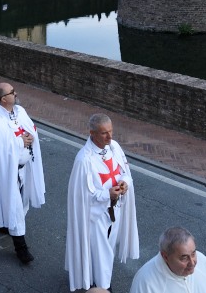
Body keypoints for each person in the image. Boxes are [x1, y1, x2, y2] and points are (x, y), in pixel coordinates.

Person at [65, 114, 139, 292]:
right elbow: (82, 197)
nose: (110, 136)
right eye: (104, 133)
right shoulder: (84, 160)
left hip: (116, 210)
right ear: (92, 133)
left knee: (107, 251)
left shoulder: (114, 147)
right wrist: (107, 194)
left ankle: (96, 280)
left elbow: (125, 172)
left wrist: (124, 183)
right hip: (96, 217)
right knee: (101, 253)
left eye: (111, 131)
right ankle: (104, 287)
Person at [0, 83, 45, 264]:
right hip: (8, 173)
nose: (15, 94)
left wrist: (31, 136)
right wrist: (19, 142)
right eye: (12, 92)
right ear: (3, 99)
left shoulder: (19, 111)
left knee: (22, 203)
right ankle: (21, 249)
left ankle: (4, 223)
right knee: (15, 207)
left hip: (25, 169)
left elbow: (29, 128)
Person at [129, 227, 206, 293]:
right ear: (165, 257)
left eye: (193, 253)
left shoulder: (203, 261)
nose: (192, 263)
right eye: (184, 258)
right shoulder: (145, 283)